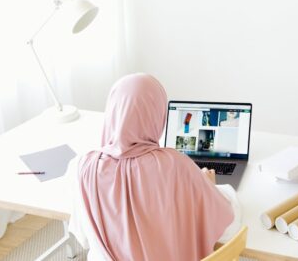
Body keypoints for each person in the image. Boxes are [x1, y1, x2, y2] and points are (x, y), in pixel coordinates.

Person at [68, 73, 241, 261]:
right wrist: (210, 188)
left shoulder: (81, 168)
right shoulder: (176, 165)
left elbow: (83, 238)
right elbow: (229, 227)